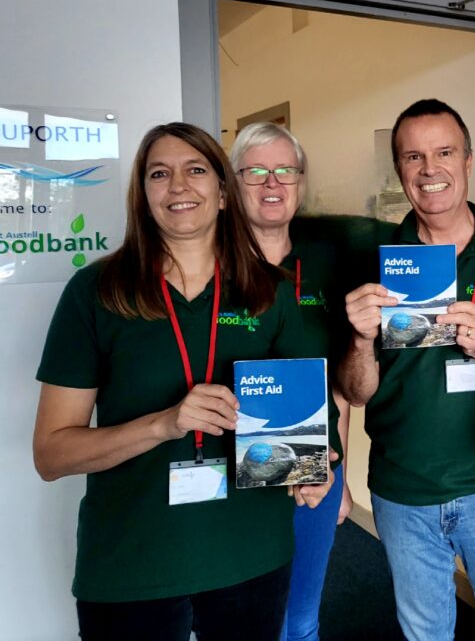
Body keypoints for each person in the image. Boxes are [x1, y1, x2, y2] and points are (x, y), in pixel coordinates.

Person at [32, 122, 332, 641]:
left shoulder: (271, 294)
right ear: (143, 195)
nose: (178, 186)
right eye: (159, 173)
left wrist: (313, 469)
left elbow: (304, 427)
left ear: (221, 193)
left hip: (251, 558)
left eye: (196, 170)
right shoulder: (97, 293)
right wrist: (162, 424)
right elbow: (52, 455)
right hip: (134, 567)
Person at [339, 99, 475, 641]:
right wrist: (361, 339)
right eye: (413, 157)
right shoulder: (372, 259)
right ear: (400, 170)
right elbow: (356, 394)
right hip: (402, 490)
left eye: (444, 152)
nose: (430, 169)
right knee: (424, 634)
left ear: (468, 160)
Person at [230, 121, 352, 641]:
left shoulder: (327, 262)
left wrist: (343, 471)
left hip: (315, 471)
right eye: (256, 171)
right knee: (235, 620)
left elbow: (340, 379)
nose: (272, 184)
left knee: (300, 619)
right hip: (234, 477)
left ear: (301, 183)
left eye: (285, 171)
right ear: (233, 184)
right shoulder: (210, 268)